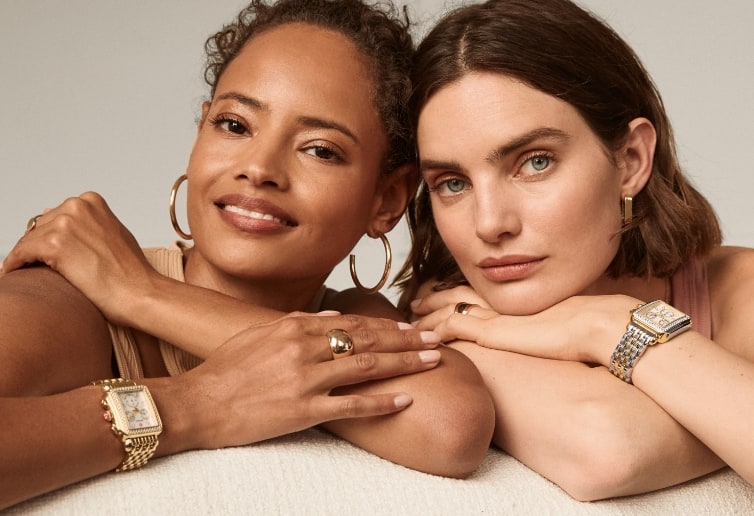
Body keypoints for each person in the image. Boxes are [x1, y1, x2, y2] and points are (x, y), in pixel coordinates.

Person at [0, 0, 494, 508]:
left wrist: (142, 293)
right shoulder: (67, 293)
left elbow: (451, 424)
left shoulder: (353, 317)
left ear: (386, 199)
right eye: (234, 125)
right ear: (200, 132)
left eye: (319, 148)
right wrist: (196, 406)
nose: (259, 167)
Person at [395, 0, 754, 501]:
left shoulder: (741, 293)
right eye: (452, 183)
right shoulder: (454, 318)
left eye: (535, 162)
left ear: (630, 161)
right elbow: (610, 446)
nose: (490, 223)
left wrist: (605, 325)